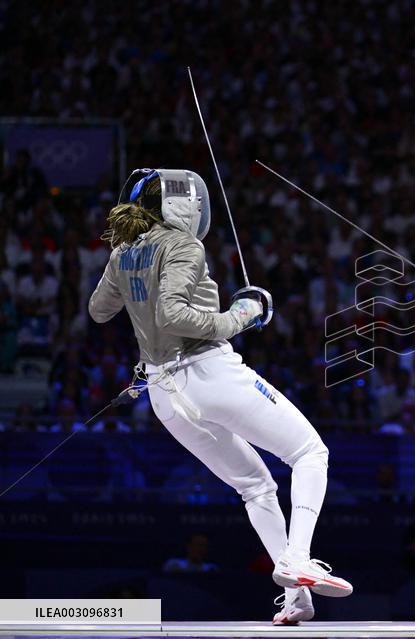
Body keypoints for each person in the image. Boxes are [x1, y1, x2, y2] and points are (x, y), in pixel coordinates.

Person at [88, 169, 352, 624]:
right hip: (208, 374)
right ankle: (298, 558)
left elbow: (98, 311)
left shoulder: (123, 251)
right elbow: (172, 314)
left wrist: (130, 275)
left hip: (164, 396)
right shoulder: (183, 244)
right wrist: (239, 317)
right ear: (180, 204)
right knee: (310, 452)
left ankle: (296, 598)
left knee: (255, 486)